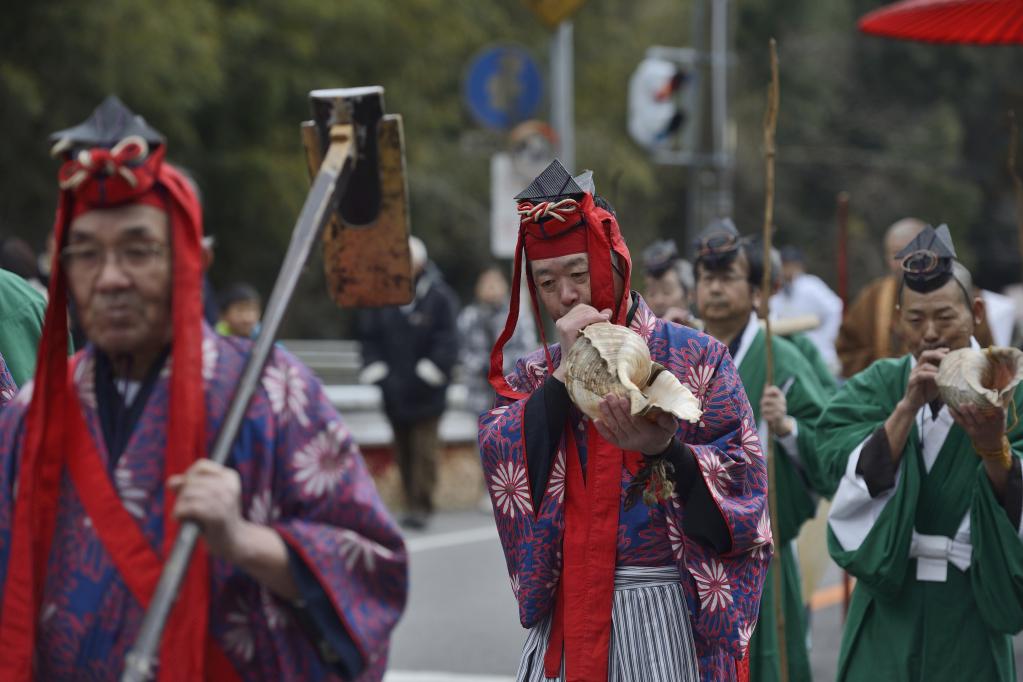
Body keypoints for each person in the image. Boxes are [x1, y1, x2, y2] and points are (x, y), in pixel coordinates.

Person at [0, 96, 407, 680]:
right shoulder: (28, 416)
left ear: (191, 258)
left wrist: (244, 540)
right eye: (86, 254)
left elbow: (374, 568)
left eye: (138, 251)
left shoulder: (273, 392)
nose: (111, 277)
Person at [479, 160, 770, 681]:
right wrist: (565, 380)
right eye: (546, 282)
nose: (565, 295)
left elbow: (743, 492)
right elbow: (503, 458)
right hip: (567, 616)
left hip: (664, 615)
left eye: (576, 273)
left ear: (616, 261)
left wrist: (668, 452)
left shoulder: (697, 359)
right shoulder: (535, 374)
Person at [818, 224, 1023, 681]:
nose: (930, 333)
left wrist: (994, 450)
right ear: (897, 319)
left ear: (976, 312)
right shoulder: (878, 384)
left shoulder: (1010, 388)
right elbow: (831, 459)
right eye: (914, 320)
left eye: (945, 317)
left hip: (971, 603)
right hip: (889, 598)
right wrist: (905, 410)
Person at [692, 219, 829, 682]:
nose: (714, 289)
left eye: (728, 277)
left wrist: (787, 427)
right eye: (707, 278)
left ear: (756, 291)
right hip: (692, 554)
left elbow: (828, 444)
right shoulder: (679, 357)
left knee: (768, 663)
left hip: (760, 553)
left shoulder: (781, 360)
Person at [358, 236, 459, 529]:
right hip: (394, 391)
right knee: (402, 451)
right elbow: (369, 339)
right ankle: (408, 502)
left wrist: (424, 375)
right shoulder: (381, 297)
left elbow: (448, 343)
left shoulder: (440, 297)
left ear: (420, 264)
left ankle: (422, 505)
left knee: (424, 451)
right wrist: (381, 376)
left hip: (428, 392)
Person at [835, 217, 994, 378]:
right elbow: (848, 350)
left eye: (944, 317)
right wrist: (895, 371)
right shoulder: (872, 297)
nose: (906, 261)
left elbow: (984, 347)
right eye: (897, 254)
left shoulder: (961, 292)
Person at [458, 265, 537, 417]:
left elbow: (528, 348)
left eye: (495, 282)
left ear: (505, 286)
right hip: (478, 393)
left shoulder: (518, 315)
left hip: (511, 391)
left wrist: (501, 366)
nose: (491, 287)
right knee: (484, 437)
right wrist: (483, 366)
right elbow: (461, 350)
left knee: (510, 436)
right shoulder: (468, 317)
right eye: (486, 283)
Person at [770, 245, 843, 375]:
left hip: (820, 353)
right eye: (784, 265)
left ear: (799, 266)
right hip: (792, 355)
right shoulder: (777, 291)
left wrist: (826, 338)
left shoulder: (811, 286)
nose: (787, 269)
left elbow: (835, 308)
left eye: (790, 265)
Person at [641, 238, 696, 326]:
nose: (658, 301)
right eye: (652, 293)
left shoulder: (705, 333)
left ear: (690, 294)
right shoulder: (635, 337)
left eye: (667, 292)